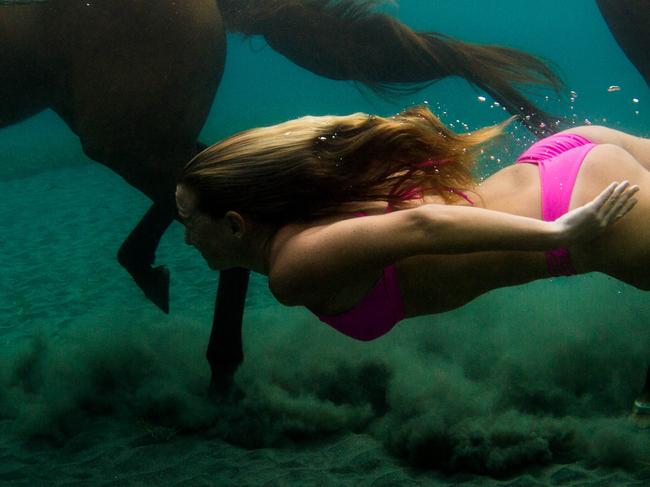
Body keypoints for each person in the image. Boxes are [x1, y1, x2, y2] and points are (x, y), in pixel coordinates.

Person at [175, 106, 644, 342]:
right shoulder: (308, 213)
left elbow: (423, 227)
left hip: (576, 207)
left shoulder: (293, 267)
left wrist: (559, 232)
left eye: (188, 220)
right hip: (556, 161)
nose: (185, 236)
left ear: (235, 225)